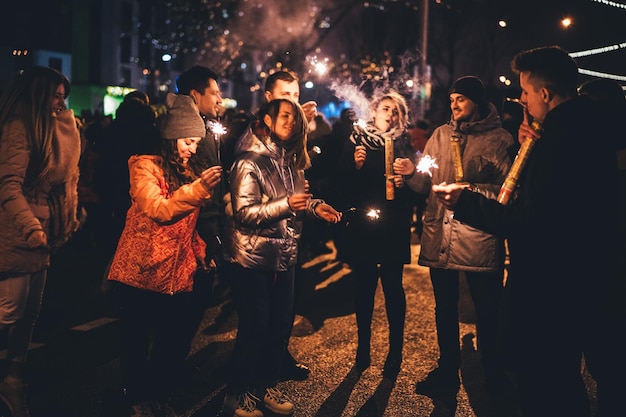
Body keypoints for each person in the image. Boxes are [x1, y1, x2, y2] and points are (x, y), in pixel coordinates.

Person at [430, 46, 622, 417]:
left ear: (545, 94)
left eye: (527, 92)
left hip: (552, 288)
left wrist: (465, 202)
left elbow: (530, 220)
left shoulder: (559, 143)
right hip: (590, 280)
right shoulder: (588, 129)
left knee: (549, 386)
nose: (522, 99)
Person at [219, 98, 341, 417]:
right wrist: (288, 204)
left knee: (280, 324)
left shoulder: (289, 159)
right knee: (256, 325)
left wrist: (316, 207)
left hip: (283, 251)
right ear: (268, 120)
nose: (291, 122)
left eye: (295, 118)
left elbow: (297, 201)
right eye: (284, 116)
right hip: (250, 255)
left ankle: (264, 385)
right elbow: (244, 213)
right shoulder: (249, 160)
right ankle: (236, 394)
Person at [394, 76, 514, 396]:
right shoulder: (440, 135)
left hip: (478, 235)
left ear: (478, 101)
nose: (454, 105)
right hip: (440, 234)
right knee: (444, 307)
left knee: (487, 309)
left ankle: (494, 374)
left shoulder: (500, 140)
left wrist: (468, 192)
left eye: (461, 98)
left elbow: (508, 192)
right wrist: (410, 175)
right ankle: (447, 371)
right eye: (451, 99)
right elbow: (425, 182)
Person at [106, 93, 222, 415]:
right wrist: (198, 190)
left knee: (170, 343)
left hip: (176, 273)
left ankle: (157, 395)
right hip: (140, 270)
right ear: (170, 138)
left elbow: (187, 226)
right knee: (135, 343)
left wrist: (201, 252)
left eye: (196, 141)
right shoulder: (144, 166)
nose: (193, 148)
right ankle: (136, 400)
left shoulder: (187, 171)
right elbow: (159, 210)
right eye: (187, 141)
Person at [0, 66, 81, 417]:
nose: (61, 103)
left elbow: (61, 181)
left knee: (29, 315)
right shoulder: (19, 127)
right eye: (56, 95)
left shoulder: (51, 131)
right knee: (9, 312)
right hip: (15, 233)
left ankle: (13, 381)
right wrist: (30, 226)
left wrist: (66, 217)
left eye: (64, 97)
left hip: (40, 235)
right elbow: (8, 185)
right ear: (37, 93)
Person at [334, 90, 415, 377]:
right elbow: (341, 181)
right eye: (385, 109)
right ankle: (363, 346)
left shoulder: (404, 143)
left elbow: (418, 186)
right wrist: (355, 166)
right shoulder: (358, 140)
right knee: (364, 286)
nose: (390, 115)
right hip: (366, 225)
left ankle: (395, 352)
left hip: (393, 224)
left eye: (396, 111)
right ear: (375, 111)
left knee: (393, 287)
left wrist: (408, 179)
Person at [175, 65, 227, 371]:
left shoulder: (206, 126)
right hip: (197, 232)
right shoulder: (193, 131)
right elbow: (203, 190)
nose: (220, 97)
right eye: (215, 92)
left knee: (189, 310)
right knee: (187, 310)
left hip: (200, 229)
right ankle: (167, 379)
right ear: (195, 95)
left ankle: (169, 374)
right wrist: (212, 240)